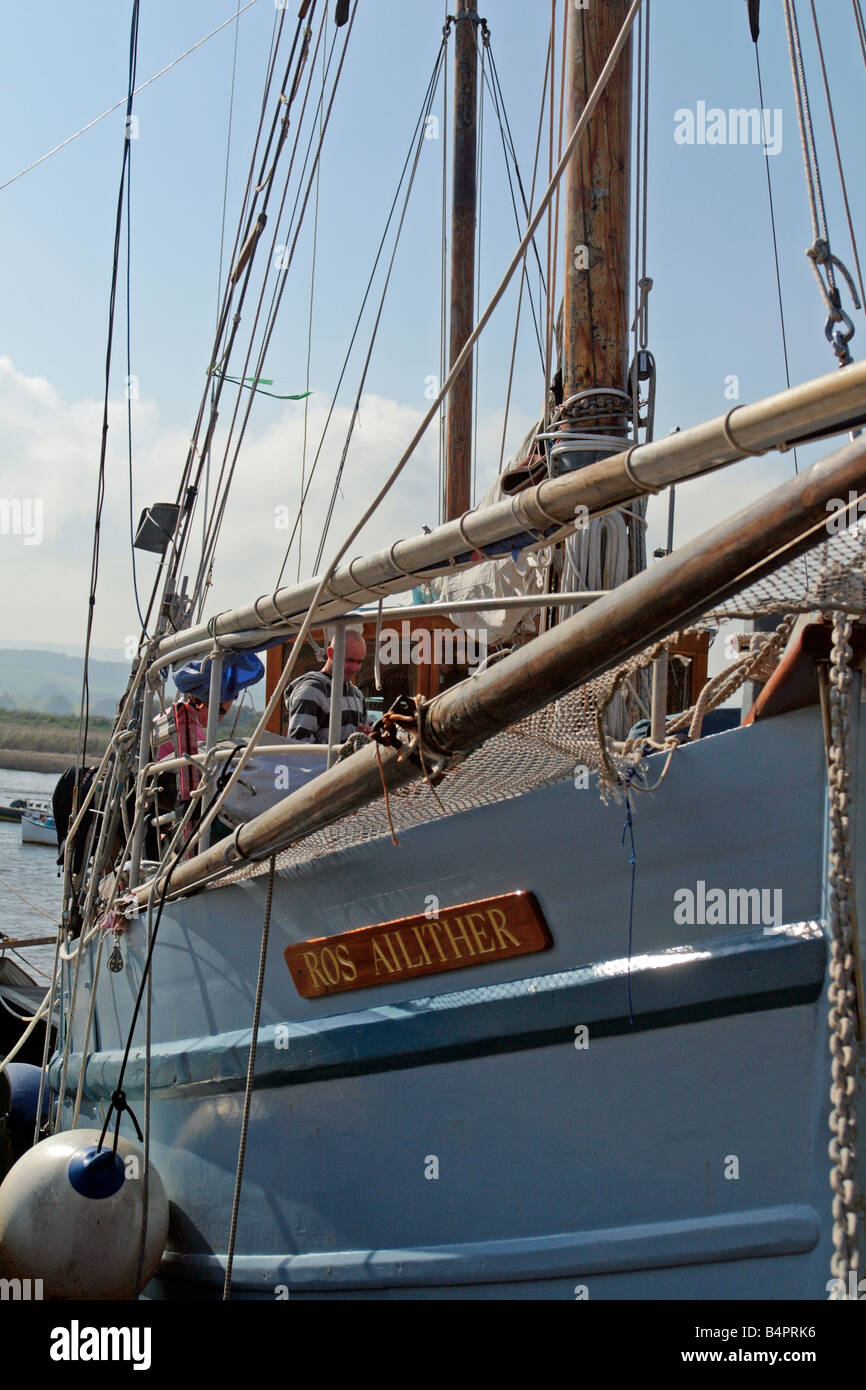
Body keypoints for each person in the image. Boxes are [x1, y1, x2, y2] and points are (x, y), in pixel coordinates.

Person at [286, 628, 372, 744]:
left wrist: (367, 737)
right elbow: (299, 747)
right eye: (349, 660)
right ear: (331, 653)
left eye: (359, 662)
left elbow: (369, 735)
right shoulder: (311, 691)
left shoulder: (357, 695)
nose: (354, 668)